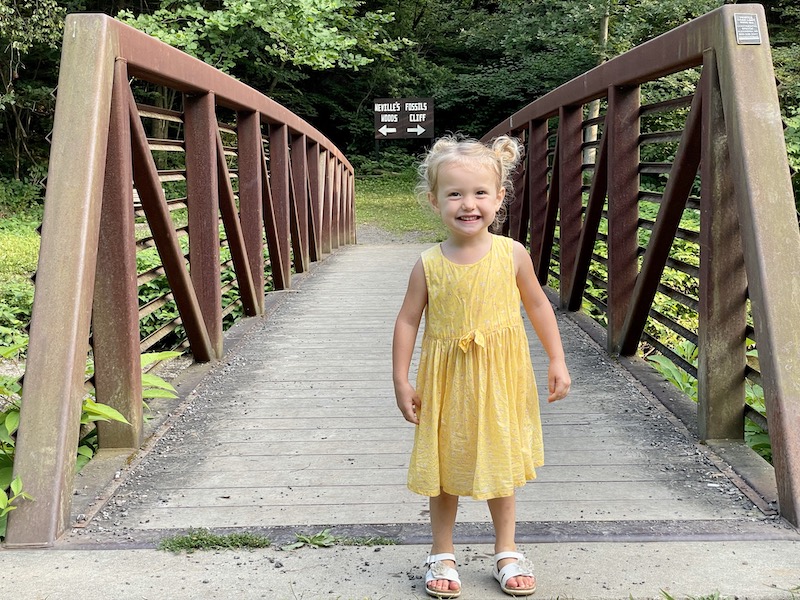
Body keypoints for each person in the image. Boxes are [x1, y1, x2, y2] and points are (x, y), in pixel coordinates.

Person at [392, 134, 571, 598]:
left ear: (499, 198)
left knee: (501, 462)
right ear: (434, 201)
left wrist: (556, 358)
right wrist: (400, 377)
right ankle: (442, 552)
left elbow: (538, 306)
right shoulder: (428, 264)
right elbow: (408, 319)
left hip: (501, 378)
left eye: (478, 194)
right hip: (447, 379)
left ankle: (506, 550)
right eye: (454, 194)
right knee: (445, 464)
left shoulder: (512, 253)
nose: (467, 204)